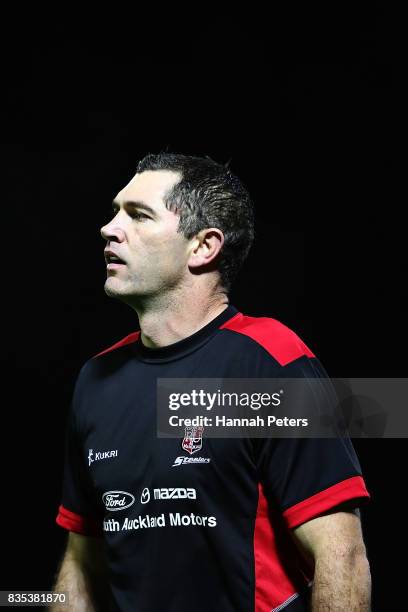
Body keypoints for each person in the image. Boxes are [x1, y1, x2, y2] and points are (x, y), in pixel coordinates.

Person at [52, 153, 371, 612]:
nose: (109, 227)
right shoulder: (96, 378)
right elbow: (80, 569)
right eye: (115, 211)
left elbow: (342, 557)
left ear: (203, 247)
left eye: (138, 215)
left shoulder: (269, 359)